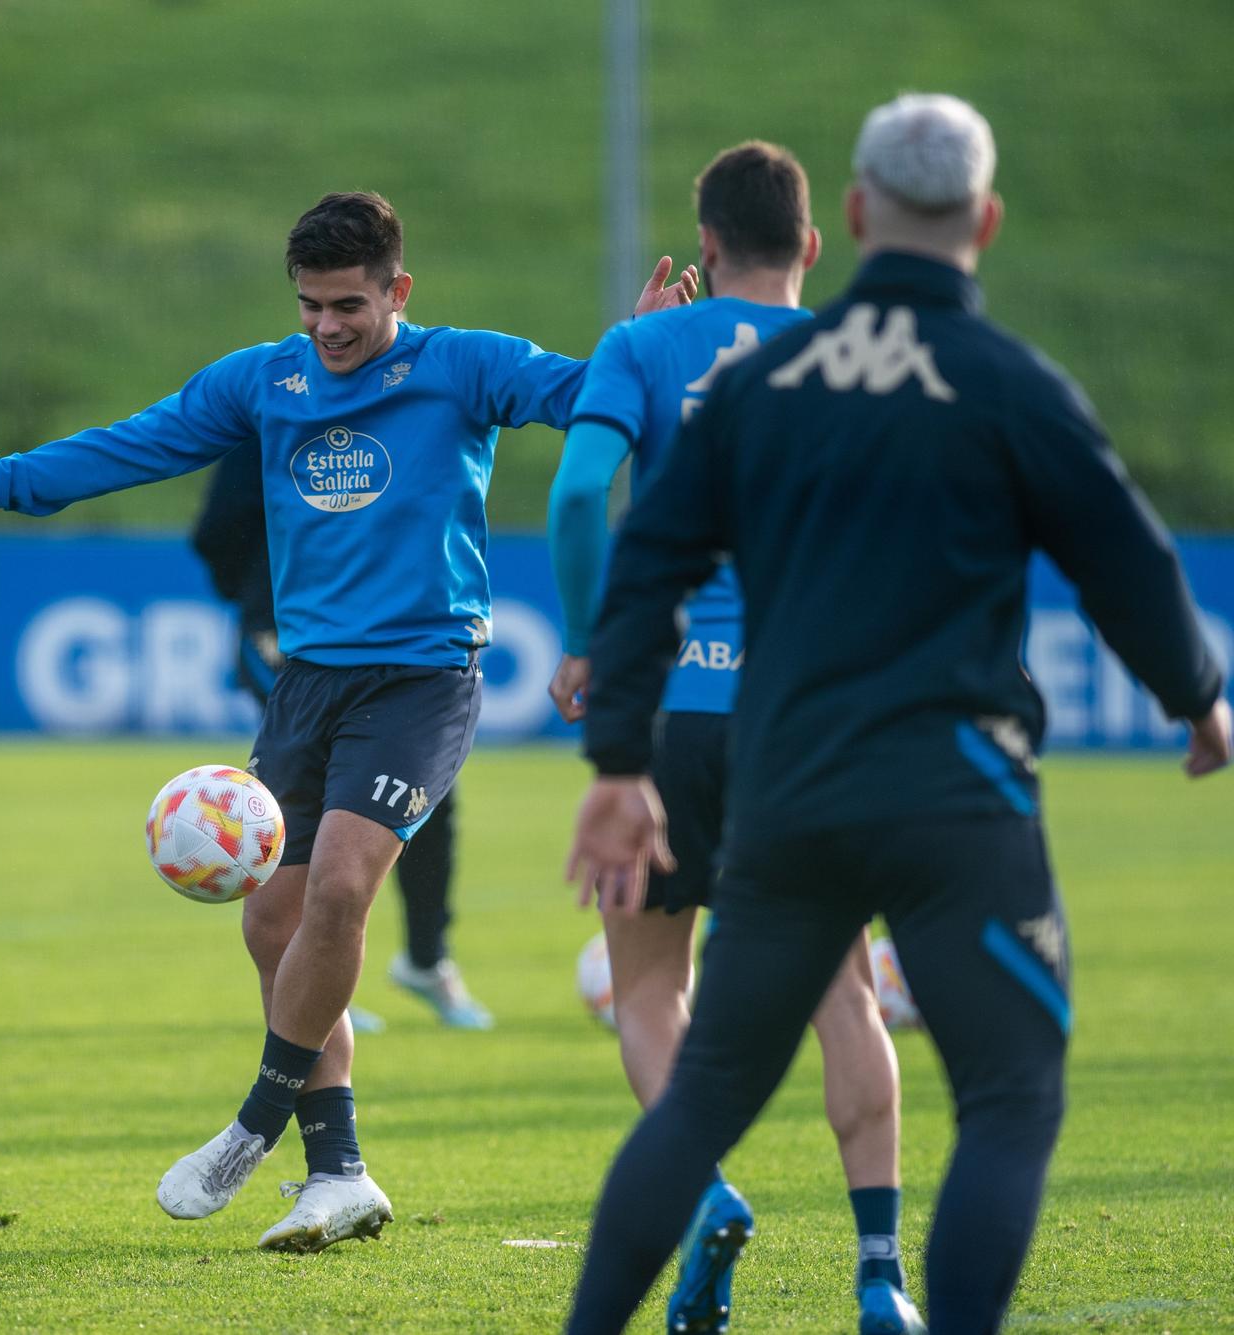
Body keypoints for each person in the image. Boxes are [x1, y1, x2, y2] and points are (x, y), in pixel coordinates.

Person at [0, 191, 695, 1252]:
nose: (326, 327)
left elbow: (597, 405)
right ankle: (338, 1174)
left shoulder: (463, 366)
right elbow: (134, 446)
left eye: (348, 304)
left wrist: (640, 349)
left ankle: (254, 1121)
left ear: (398, 289)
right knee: (272, 924)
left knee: (343, 887)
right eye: (309, 305)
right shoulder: (263, 381)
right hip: (305, 685)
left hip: (422, 676)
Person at [561, 94, 1231, 1335]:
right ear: (980, 217)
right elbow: (1124, 560)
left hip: (786, 786)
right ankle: (891, 1286)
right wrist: (1194, 699)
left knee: (703, 1090)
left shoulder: (762, 386)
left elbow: (642, 549)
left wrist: (613, 757)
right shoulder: (1004, 382)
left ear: (861, 215)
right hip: (953, 790)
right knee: (1007, 1095)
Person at [549, 142, 915, 1334]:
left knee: (649, 985)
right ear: (814, 245)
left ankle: (701, 1190)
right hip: (806, 722)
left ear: (701, 246)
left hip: (667, 720)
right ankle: (879, 1278)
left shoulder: (641, 345)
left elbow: (571, 494)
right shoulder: (866, 355)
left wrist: (590, 638)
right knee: (843, 990)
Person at [192, 440, 492, 1030]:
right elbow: (217, 529)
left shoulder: (396, 408)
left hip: (384, 640)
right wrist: (260, 590)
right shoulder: (274, 411)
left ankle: (425, 959)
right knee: (309, 792)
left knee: (419, 796)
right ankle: (317, 973)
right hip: (282, 631)